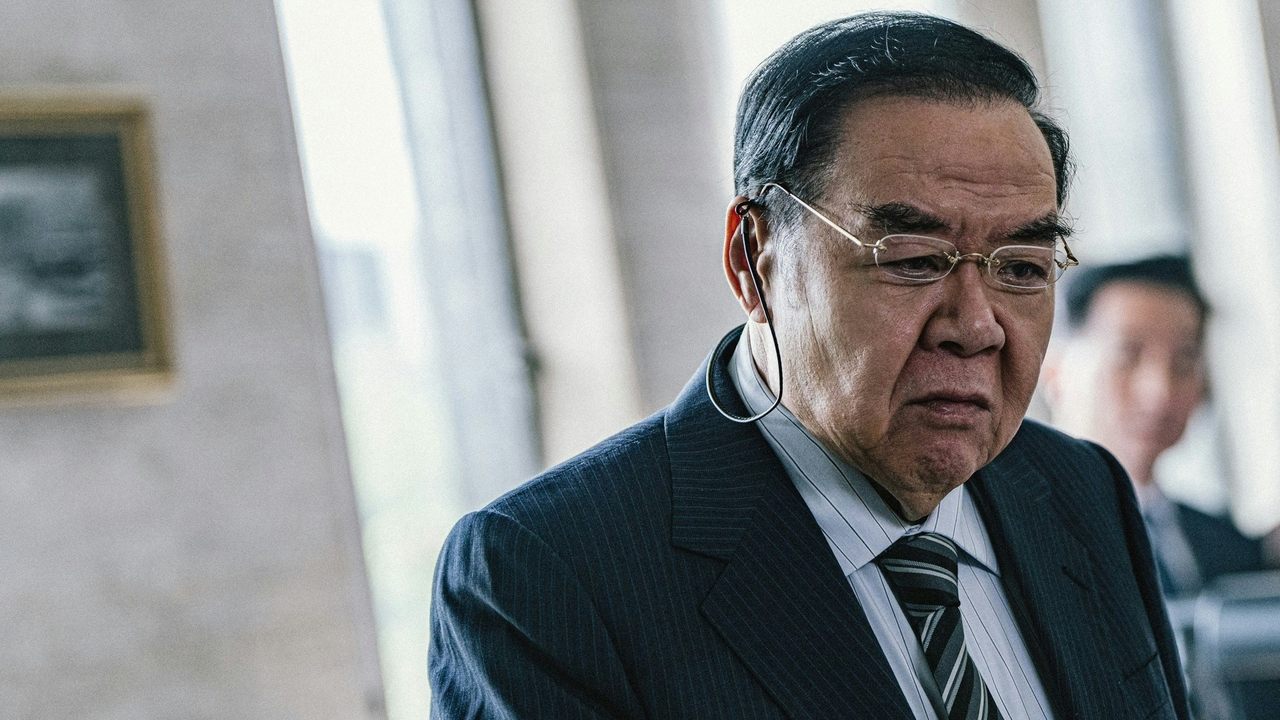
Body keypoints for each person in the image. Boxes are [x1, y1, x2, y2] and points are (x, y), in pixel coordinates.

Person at [430, 12, 1189, 719]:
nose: (975, 327)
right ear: (752, 259)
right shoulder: (546, 574)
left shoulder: (1080, 492)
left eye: (1021, 268)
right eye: (914, 260)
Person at [1042, 255, 1265, 599]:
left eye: (1184, 362)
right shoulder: (1019, 532)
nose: (1160, 392)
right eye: (1127, 355)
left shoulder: (1230, 545)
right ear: (1055, 373)